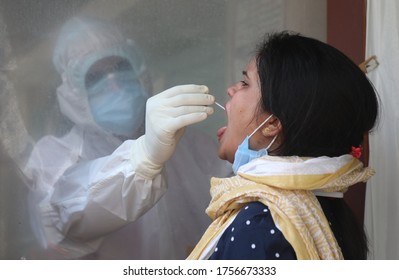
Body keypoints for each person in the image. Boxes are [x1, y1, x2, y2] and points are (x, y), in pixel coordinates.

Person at [22, 17, 231, 259]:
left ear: (140, 71)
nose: (113, 84)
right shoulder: (53, 157)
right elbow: (64, 220)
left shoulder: (192, 145)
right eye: (95, 76)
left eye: (120, 67)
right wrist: (142, 159)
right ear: (73, 92)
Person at [187, 31, 379, 260]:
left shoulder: (259, 226)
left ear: (273, 124)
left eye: (245, 83)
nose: (231, 89)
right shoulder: (330, 209)